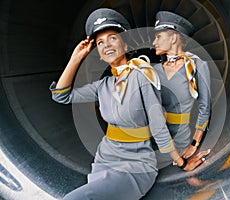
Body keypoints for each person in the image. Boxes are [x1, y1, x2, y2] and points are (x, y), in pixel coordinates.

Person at [49, 8, 204, 200]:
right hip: (105, 159)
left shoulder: (142, 76)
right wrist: (76, 58)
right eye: (100, 42)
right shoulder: (103, 86)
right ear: (98, 53)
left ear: (126, 44)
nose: (107, 45)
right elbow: (61, 96)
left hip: (136, 165)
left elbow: (157, 126)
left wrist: (181, 163)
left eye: (113, 38)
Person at [152, 11, 211, 168]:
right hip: (150, 140)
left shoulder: (196, 66)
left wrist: (194, 144)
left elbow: (205, 108)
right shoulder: (152, 70)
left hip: (180, 142)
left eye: (158, 37)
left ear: (173, 38)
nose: (153, 42)